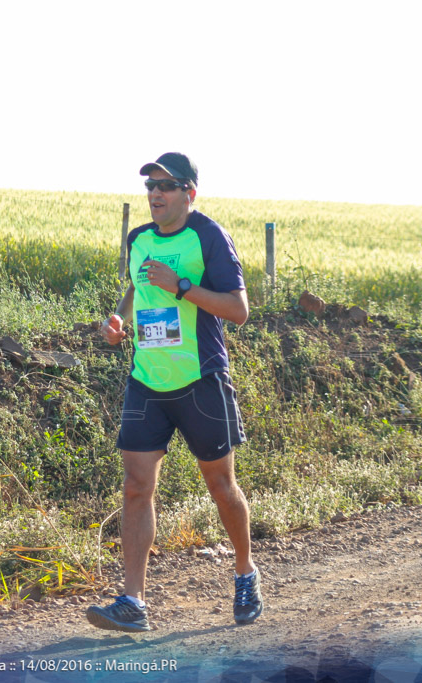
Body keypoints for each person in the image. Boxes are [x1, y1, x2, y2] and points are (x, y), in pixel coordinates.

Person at [86, 152, 262, 632]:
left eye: (166, 186)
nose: (155, 195)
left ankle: (245, 573)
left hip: (200, 380)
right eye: (150, 187)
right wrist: (118, 320)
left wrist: (182, 287)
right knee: (136, 486)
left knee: (221, 488)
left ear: (190, 193)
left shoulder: (208, 236)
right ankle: (133, 601)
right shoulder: (138, 239)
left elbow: (238, 310)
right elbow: (135, 290)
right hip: (147, 379)